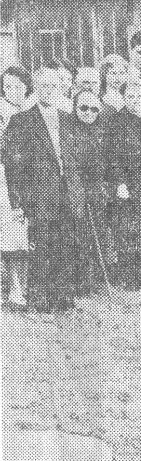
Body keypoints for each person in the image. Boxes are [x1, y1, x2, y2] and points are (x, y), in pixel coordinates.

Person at [2, 68, 86, 311]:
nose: (48, 90)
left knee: (66, 244)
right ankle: (40, 300)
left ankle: (63, 298)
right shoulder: (21, 121)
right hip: (38, 195)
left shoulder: (68, 118)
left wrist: (79, 190)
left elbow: (76, 159)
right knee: (42, 245)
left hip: (67, 192)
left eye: (52, 85)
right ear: (35, 88)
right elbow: (13, 166)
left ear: (59, 87)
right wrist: (17, 203)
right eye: (43, 85)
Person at [103, 80, 141, 288]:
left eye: (139, 96)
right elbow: (112, 157)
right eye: (130, 96)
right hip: (128, 184)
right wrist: (119, 182)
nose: (135, 100)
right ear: (123, 98)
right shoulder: (116, 122)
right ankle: (129, 275)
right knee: (129, 228)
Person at [71, 89, 109, 295]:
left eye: (94, 109)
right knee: (80, 234)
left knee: (99, 232)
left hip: (97, 189)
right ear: (75, 108)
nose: (88, 113)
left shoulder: (102, 130)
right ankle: (81, 280)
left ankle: (96, 278)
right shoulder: (69, 131)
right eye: (83, 108)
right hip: (76, 190)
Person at [0, 66, 33, 308]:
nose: (14, 90)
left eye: (18, 85)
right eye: (8, 86)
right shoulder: (2, 114)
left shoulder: (32, 111)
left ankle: (28, 284)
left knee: (29, 234)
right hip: (6, 178)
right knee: (12, 234)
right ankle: (14, 288)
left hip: (31, 179)